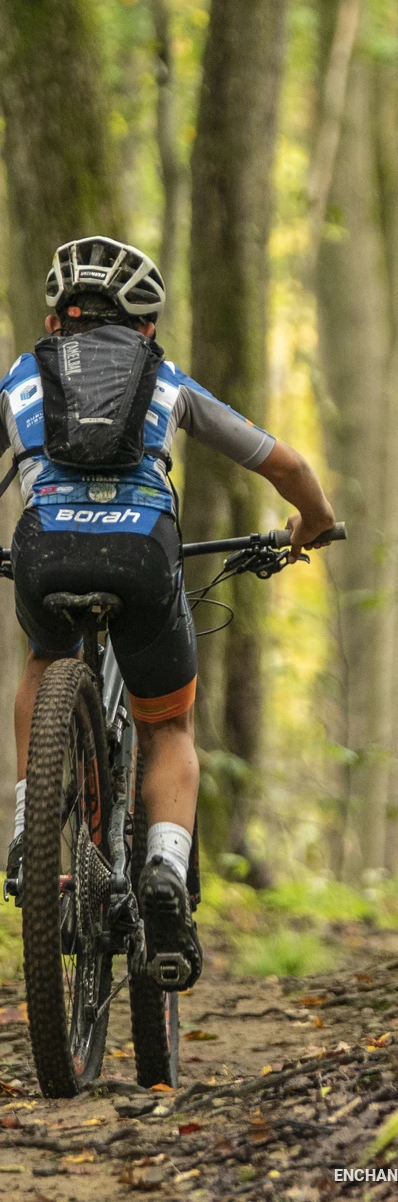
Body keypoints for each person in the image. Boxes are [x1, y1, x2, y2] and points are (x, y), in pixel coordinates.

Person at [2, 237, 334, 989]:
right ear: (146, 328)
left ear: (56, 322)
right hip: (145, 558)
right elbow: (286, 466)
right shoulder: (166, 382)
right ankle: (162, 867)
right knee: (169, 724)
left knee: (45, 661)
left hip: (45, 549)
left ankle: (29, 834)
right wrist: (309, 525)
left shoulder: (22, 378)